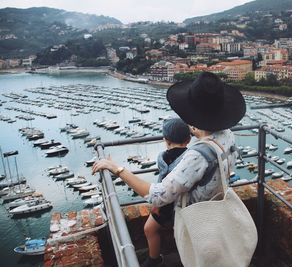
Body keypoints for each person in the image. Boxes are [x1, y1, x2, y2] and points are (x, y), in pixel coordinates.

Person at [92, 71, 246, 266]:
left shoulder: (197, 155)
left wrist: (117, 169)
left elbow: (158, 196)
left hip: (194, 215)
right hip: (216, 205)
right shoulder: (228, 136)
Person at [143, 118, 190, 267]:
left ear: (166, 140)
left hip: (166, 206)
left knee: (149, 229)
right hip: (186, 204)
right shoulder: (191, 157)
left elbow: (162, 183)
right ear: (188, 139)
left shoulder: (162, 157)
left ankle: (154, 259)